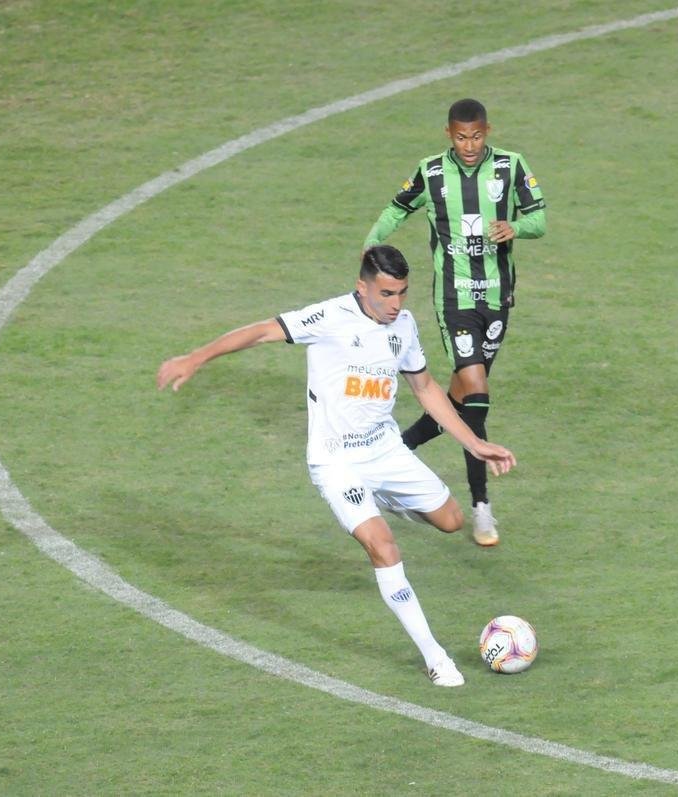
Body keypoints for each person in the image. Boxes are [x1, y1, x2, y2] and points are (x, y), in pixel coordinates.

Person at [157, 245, 516, 687]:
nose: (395, 303)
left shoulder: (403, 326)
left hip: (385, 451)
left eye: (402, 293)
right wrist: (196, 357)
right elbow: (260, 332)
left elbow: (424, 388)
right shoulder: (328, 318)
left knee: (451, 520)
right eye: (385, 293)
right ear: (362, 287)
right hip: (336, 461)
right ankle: (436, 657)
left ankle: (377, 498)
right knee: (383, 547)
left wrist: (474, 443)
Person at [363, 98, 546, 547]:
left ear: (488, 130)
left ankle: (390, 458)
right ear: (448, 133)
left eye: (477, 135)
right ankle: (482, 507)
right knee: (478, 392)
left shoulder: (510, 166)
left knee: (461, 400)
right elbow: (396, 209)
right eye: (462, 136)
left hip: (498, 299)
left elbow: (539, 218)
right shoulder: (431, 172)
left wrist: (515, 229)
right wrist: (370, 249)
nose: (469, 145)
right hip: (455, 299)